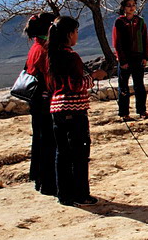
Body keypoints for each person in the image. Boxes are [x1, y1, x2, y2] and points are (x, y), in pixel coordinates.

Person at [46, 16, 108, 207]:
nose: (77, 35)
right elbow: (75, 84)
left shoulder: (51, 55)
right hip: (74, 109)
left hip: (57, 108)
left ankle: (64, 194)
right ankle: (81, 195)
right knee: (80, 154)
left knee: (63, 154)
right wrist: (94, 77)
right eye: (76, 32)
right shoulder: (71, 56)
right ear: (69, 34)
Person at [24, 12, 58, 196]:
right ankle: (48, 183)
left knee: (40, 140)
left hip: (37, 101)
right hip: (45, 102)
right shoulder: (45, 50)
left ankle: (39, 179)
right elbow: (50, 79)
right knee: (49, 143)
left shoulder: (36, 47)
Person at [112, 0, 148, 121]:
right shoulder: (119, 22)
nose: (131, 8)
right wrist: (122, 60)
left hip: (138, 57)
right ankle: (124, 113)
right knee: (123, 86)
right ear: (123, 7)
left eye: (133, 5)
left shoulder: (140, 21)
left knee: (139, 85)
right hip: (125, 58)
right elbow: (117, 42)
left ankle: (142, 110)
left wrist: (145, 56)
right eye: (128, 5)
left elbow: (144, 39)